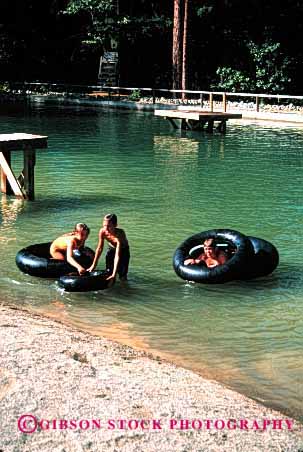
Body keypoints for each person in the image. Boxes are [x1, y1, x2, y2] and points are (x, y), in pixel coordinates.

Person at [88, 213, 130, 281]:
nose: (106, 229)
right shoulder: (102, 231)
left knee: (122, 275)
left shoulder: (120, 234)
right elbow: (99, 248)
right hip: (111, 249)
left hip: (123, 251)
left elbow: (117, 255)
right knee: (109, 271)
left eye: (109, 226)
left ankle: (124, 288)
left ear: (115, 225)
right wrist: (93, 265)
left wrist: (114, 274)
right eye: (104, 226)